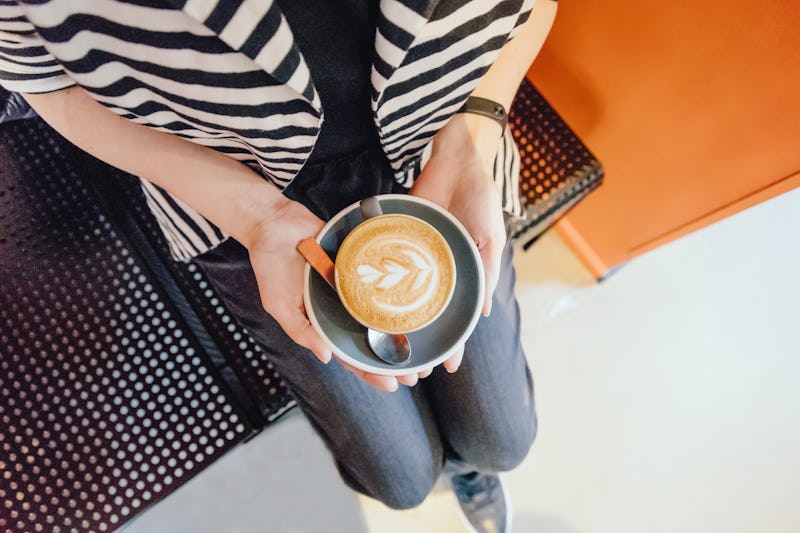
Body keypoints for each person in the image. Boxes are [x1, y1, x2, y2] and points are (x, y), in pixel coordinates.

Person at [0, 0, 558, 530]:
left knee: (502, 441)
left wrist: (473, 134)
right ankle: (453, 475)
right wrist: (255, 215)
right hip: (235, 196)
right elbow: (49, 83)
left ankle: (470, 472)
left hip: (444, 149)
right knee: (401, 481)